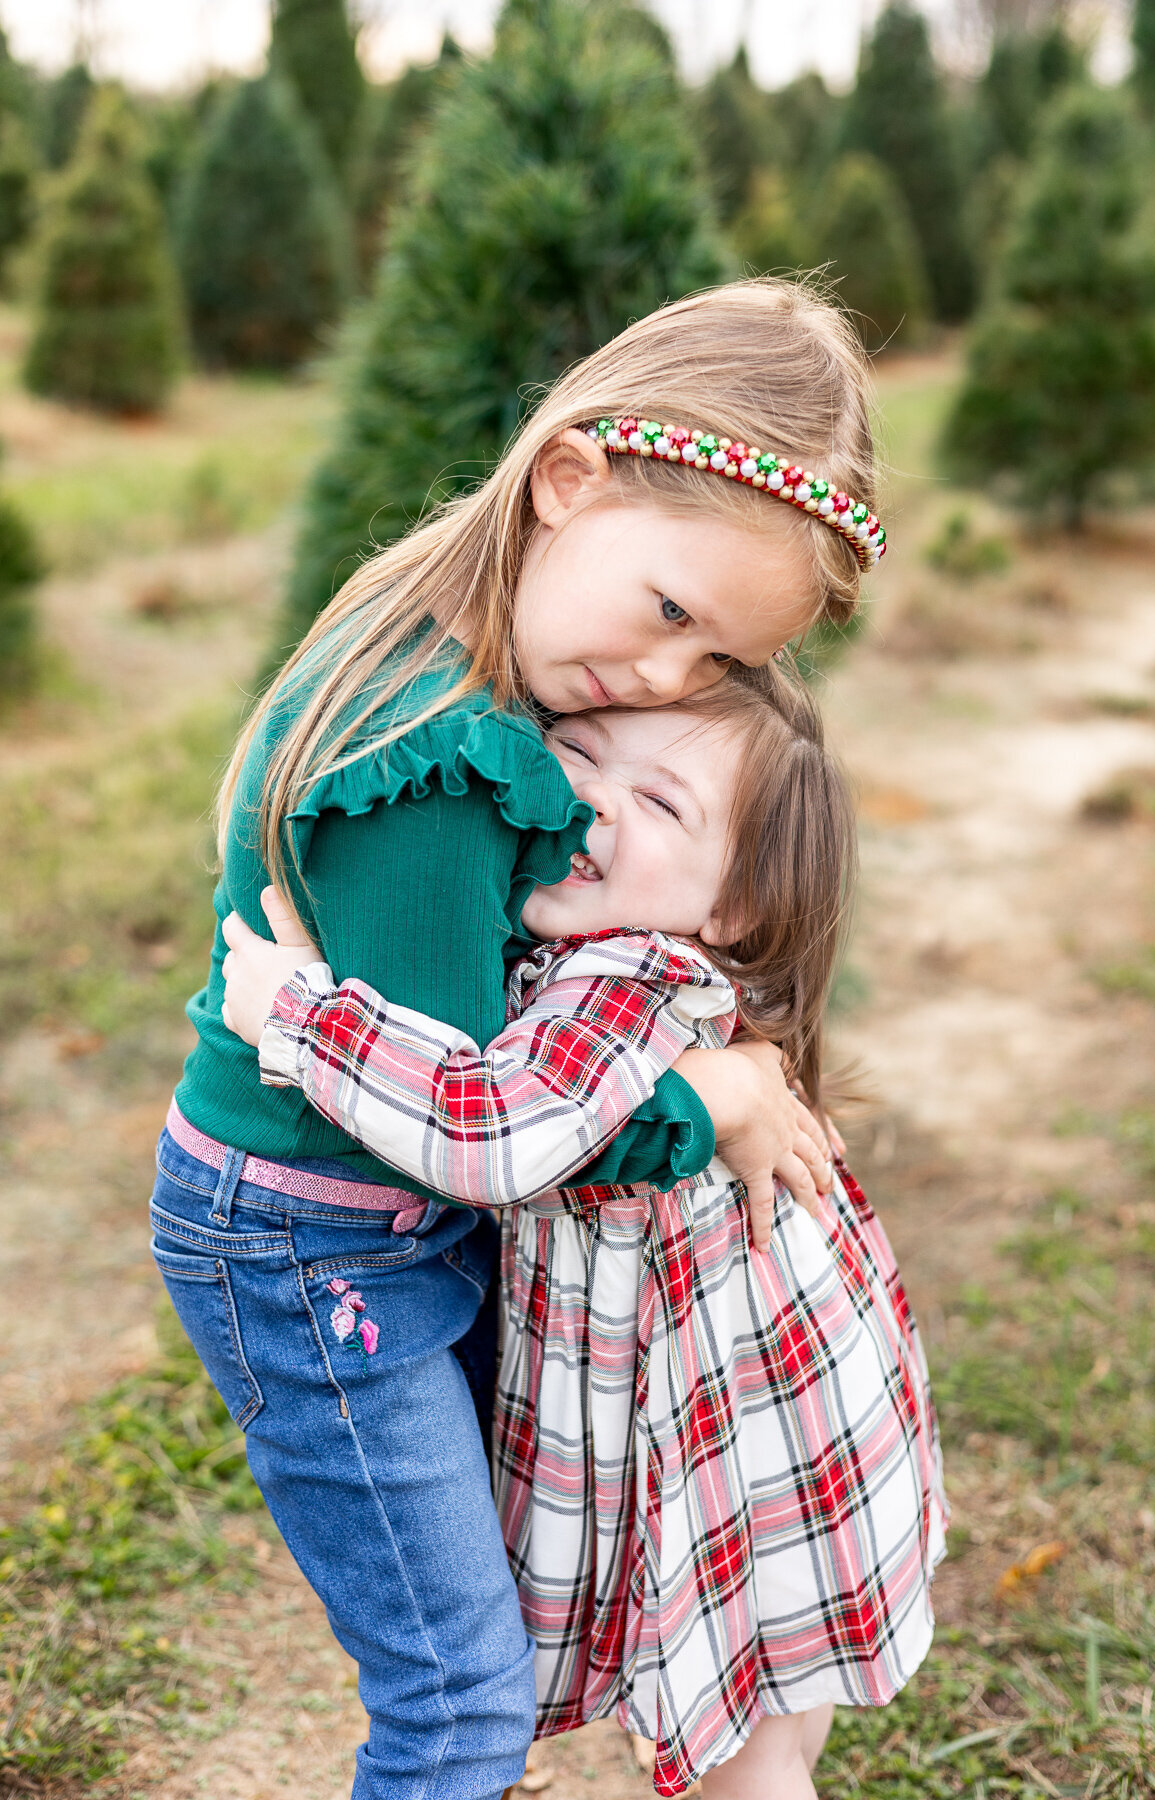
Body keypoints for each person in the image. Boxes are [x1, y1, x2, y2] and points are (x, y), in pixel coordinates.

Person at [150, 278, 880, 1800]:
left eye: (712, 666)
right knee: (458, 1696)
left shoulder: (475, 658)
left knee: (501, 1609)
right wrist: (714, 1097)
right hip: (320, 1248)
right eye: (671, 614)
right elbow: (488, 1133)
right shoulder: (434, 761)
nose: (666, 682)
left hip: (387, 1215)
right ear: (568, 481)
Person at [219, 667, 945, 1800]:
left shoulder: (623, 979)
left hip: (712, 1423)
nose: (596, 804)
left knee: (746, 1763)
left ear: (737, 905)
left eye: (663, 804)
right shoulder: (637, 960)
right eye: (582, 753)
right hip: (785, 1396)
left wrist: (300, 1015)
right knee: (774, 1701)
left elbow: (489, 1134)